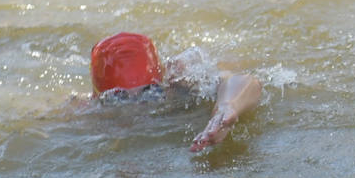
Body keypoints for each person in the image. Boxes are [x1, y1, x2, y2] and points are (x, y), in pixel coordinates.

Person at [89, 31, 262, 153]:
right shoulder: (84, 111)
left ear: (162, 84)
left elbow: (245, 82)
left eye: (150, 93)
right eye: (120, 98)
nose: (138, 107)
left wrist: (227, 106)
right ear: (97, 97)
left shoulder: (179, 86)